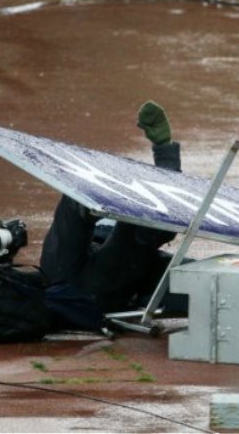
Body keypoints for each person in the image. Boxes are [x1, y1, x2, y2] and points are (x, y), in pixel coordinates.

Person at [38, 101, 181, 313]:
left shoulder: (136, 222)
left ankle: (164, 163)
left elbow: (170, 218)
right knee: (75, 197)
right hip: (64, 272)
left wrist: (165, 152)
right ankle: (160, 170)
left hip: (95, 284)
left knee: (144, 228)